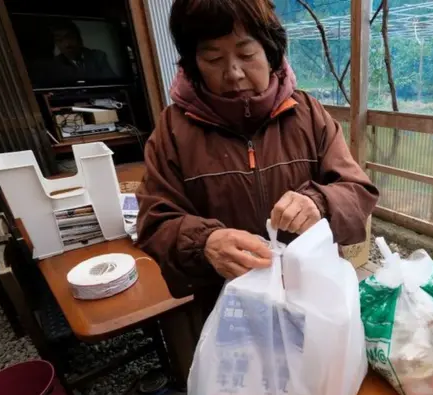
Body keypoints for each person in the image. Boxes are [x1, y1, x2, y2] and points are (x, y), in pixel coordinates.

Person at [136, 0, 378, 311]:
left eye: (247, 54)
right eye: (213, 58)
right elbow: (154, 224)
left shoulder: (308, 114)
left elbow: (358, 191)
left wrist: (318, 203)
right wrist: (204, 243)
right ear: (193, 64)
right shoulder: (172, 131)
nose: (233, 73)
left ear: (271, 52)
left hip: (314, 300)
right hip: (228, 309)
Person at [46, 20, 117, 83]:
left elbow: (113, 83)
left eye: (70, 37)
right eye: (59, 40)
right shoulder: (55, 64)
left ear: (79, 39)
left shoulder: (98, 56)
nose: (66, 44)